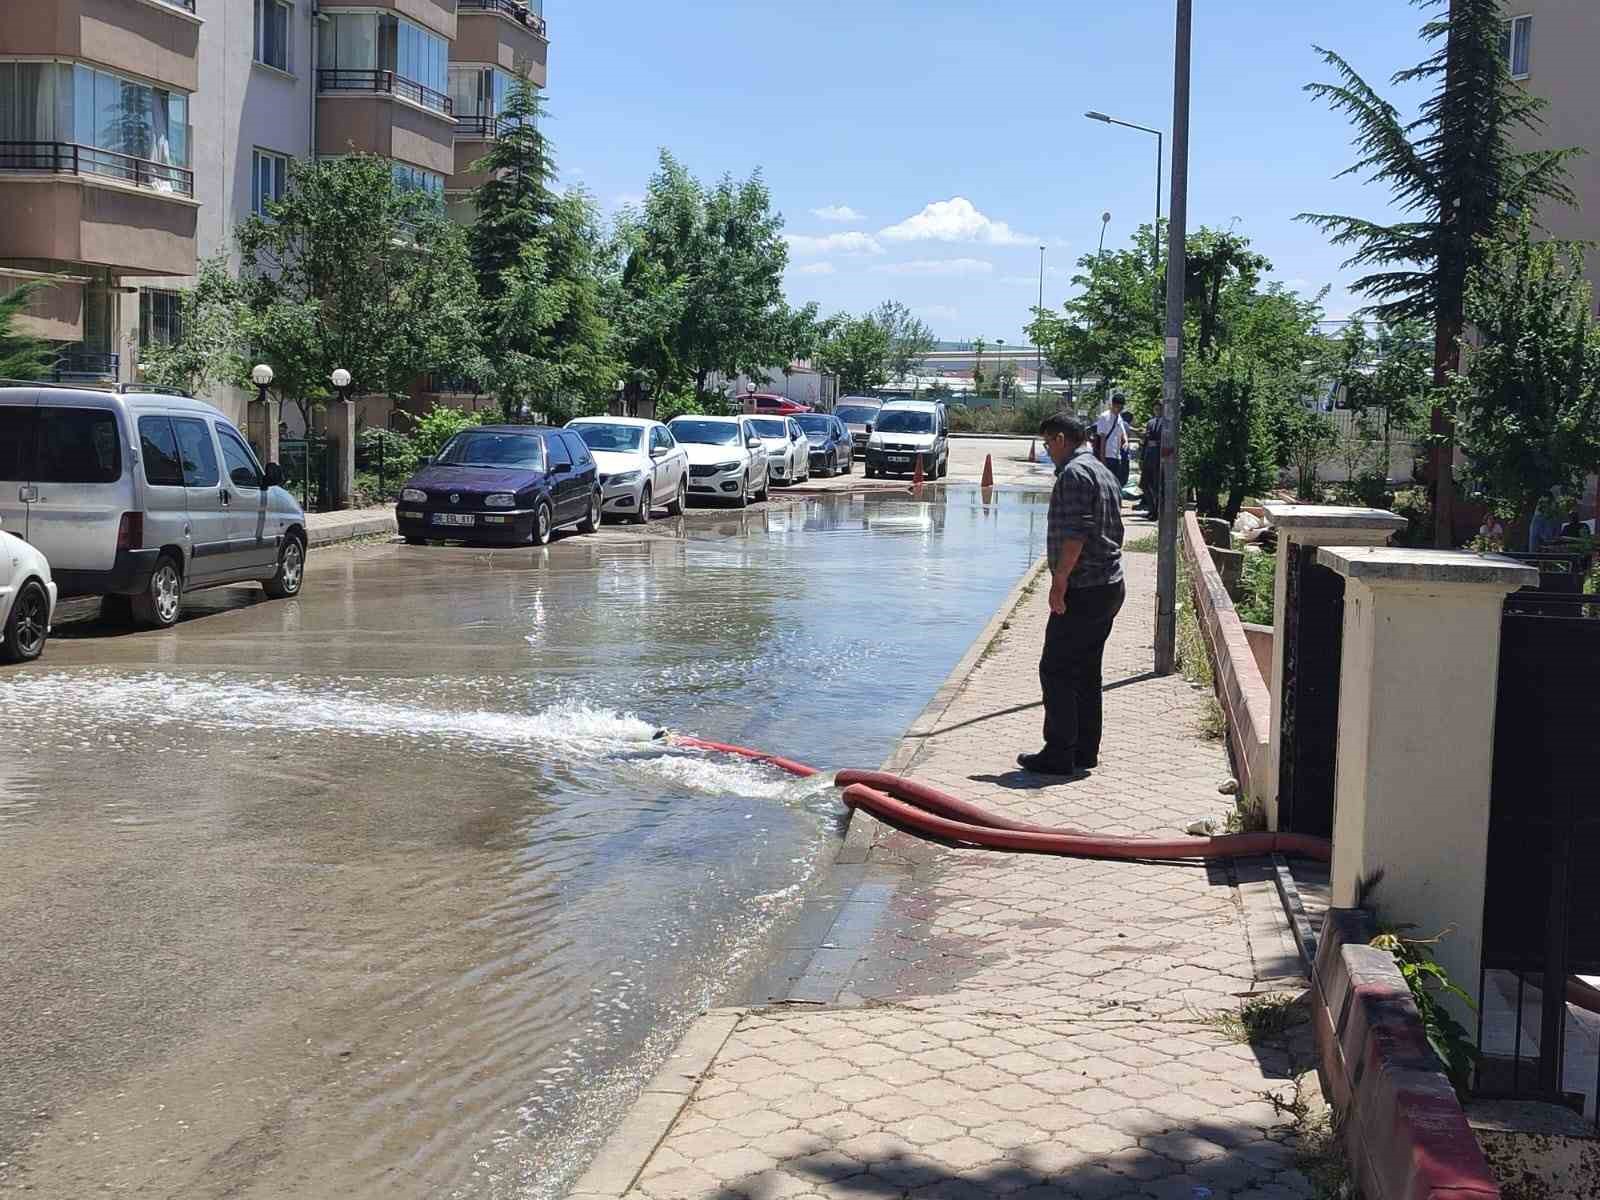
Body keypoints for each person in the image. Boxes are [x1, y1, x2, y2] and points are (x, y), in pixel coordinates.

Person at [1019, 411, 1126, 777]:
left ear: (1062, 439)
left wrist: (1059, 581)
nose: (1048, 450)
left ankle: (1060, 751)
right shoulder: (1100, 470)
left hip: (1085, 587)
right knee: (1085, 672)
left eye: (1049, 443)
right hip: (1108, 584)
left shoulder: (1075, 474)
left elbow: (1077, 534)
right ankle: (1084, 750)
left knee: (1057, 669)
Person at [1093, 394, 1130, 488]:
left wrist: (1126, 442)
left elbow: (1123, 432)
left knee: (1114, 482)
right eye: (1118, 407)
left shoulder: (1119, 417)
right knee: (1105, 483)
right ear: (1113, 404)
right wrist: (1102, 459)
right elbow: (1102, 439)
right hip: (1106, 456)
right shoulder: (1104, 417)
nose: (1119, 409)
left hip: (1116, 456)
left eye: (1121, 408)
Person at [1139, 411, 1164, 518]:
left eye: (1159, 407)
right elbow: (1146, 440)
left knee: (1156, 486)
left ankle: (1156, 512)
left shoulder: (1166, 422)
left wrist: (1157, 443)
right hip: (1148, 457)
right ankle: (1152, 509)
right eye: (1155, 407)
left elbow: (1167, 439)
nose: (1157, 409)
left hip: (1158, 458)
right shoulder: (1150, 422)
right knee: (1144, 484)